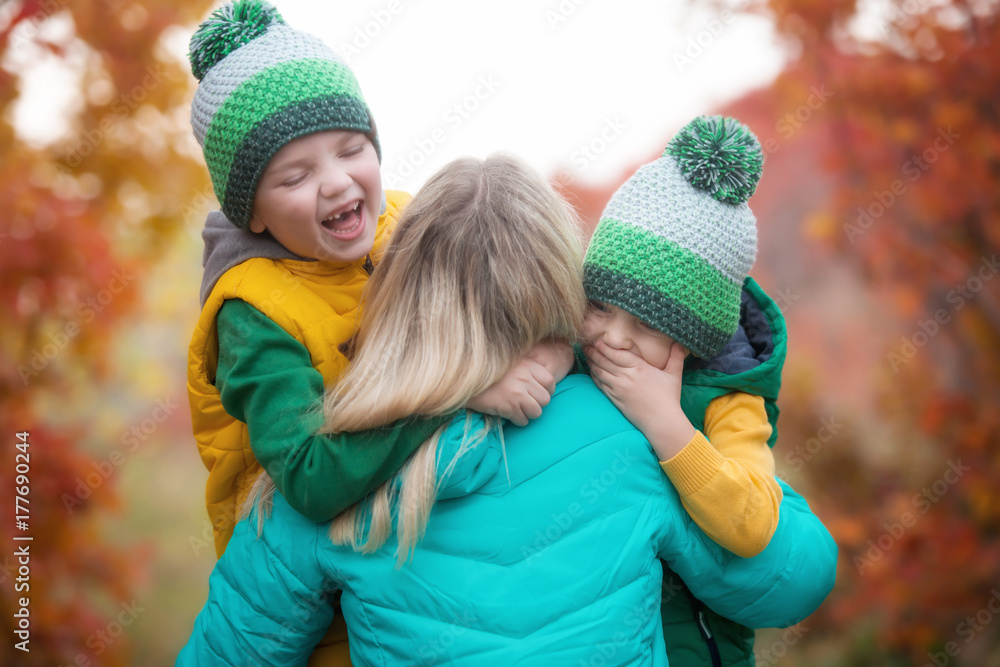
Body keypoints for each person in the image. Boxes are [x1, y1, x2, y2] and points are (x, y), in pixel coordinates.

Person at [177, 154, 838, 667]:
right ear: (562, 287)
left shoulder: (326, 479)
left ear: (404, 300)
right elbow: (793, 582)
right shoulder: (633, 440)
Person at [185, 2, 568, 662]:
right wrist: (467, 386)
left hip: (409, 521)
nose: (336, 182)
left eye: (351, 148)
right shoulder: (250, 315)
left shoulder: (403, 220)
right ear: (251, 210)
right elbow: (308, 477)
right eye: (295, 175)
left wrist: (557, 345)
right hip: (307, 582)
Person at [579, 115, 790, 665]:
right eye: (599, 305)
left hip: (693, 647)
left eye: (647, 325)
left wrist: (666, 423)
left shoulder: (729, 400)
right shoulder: (571, 353)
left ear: (694, 339)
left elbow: (754, 523)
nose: (613, 338)